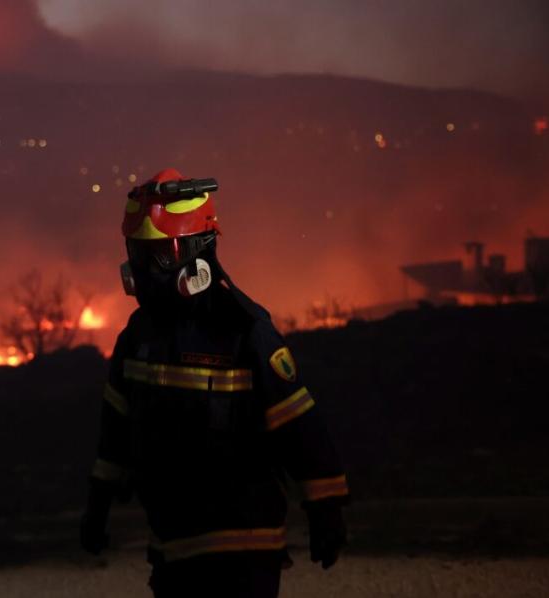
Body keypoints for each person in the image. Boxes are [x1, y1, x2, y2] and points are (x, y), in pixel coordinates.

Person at [81, 168, 349, 597]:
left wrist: (327, 508)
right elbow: (115, 428)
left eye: (161, 254)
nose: (146, 270)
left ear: (198, 251)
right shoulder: (137, 338)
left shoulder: (244, 332)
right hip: (172, 546)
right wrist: (98, 503)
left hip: (244, 546)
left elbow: (299, 427)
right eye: (139, 252)